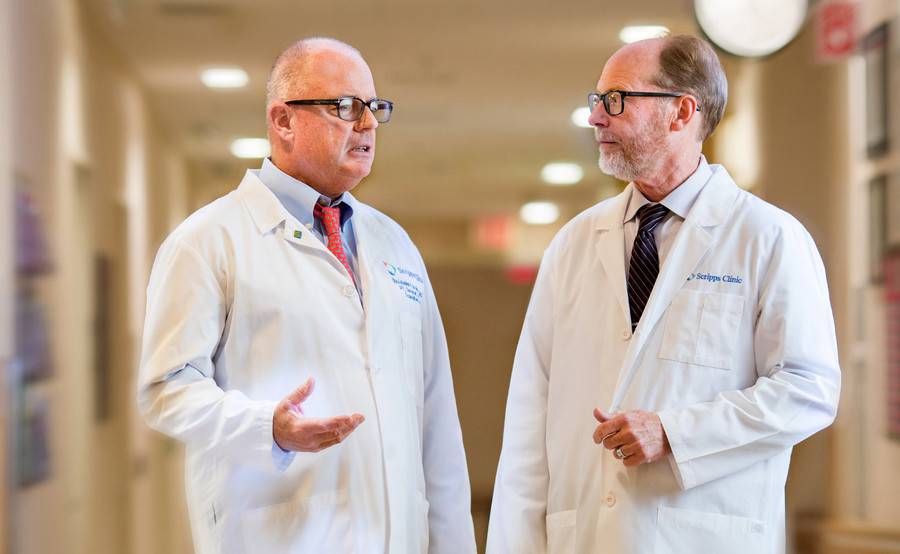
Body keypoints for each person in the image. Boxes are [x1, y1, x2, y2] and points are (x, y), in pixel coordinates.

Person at [486, 34, 840, 554]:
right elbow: (528, 419)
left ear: (681, 112)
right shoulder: (574, 244)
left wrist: (676, 434)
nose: (595, 119)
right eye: (597, 101)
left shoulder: (767, 238)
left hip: (703, 536)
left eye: (616, 100)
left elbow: (808, 390)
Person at [137, 37, 476, 554]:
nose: (367, 125)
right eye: (345, 107)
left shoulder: (394, 244)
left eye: (374, 109)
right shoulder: (208, 240)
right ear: (283, 121)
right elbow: (165, 389)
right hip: (279, 536)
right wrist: (265, 428)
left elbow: (435, 419)